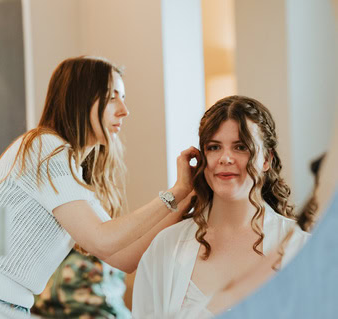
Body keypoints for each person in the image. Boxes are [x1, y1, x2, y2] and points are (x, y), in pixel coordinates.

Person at [0, 56, 197, 317]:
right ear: (81, 99)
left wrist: (184, 199)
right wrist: (174, 193)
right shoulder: (43, 148)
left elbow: (125, 257)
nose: (124, 110)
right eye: (112, 97)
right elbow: (103, 240)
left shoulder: (71, 175)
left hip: (1, 305)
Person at [132, 95, 310, 318]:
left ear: (267, 159)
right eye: (214, 147)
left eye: (241, 147)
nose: (226, 158)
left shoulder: (301, 248)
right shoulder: (166, 247)